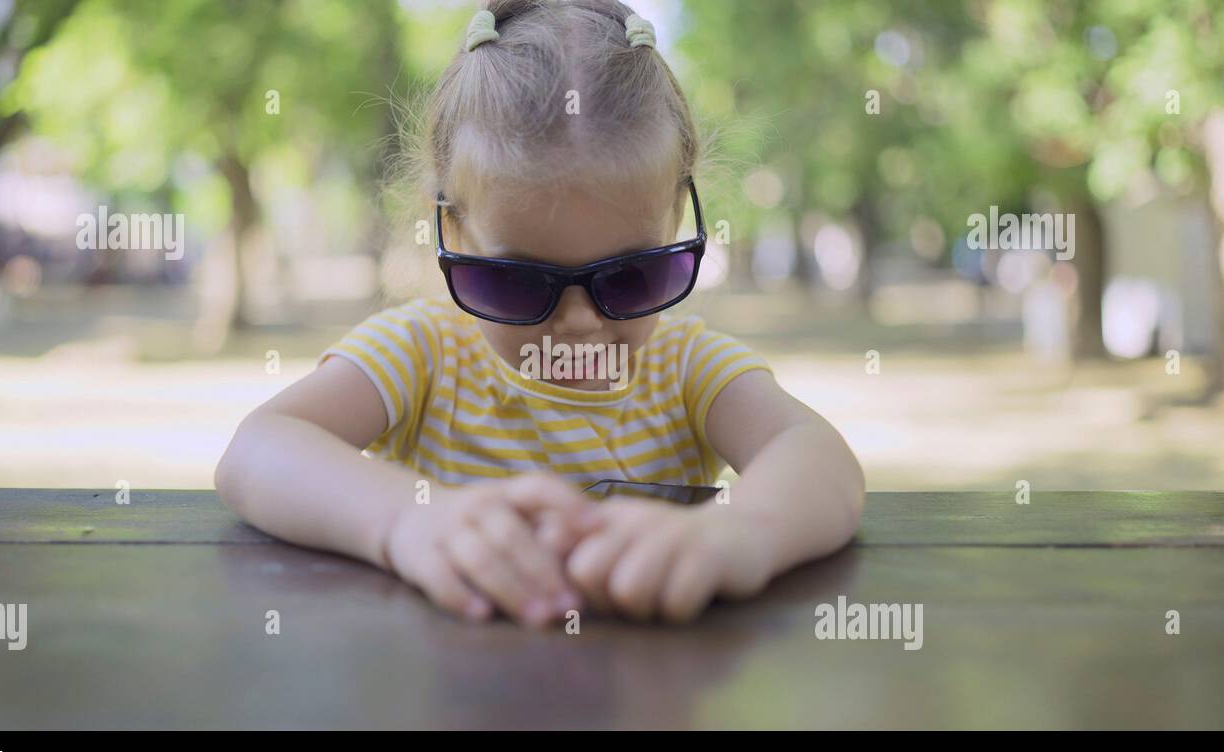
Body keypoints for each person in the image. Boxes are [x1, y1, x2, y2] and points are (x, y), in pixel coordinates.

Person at [215, 0, 864, 628]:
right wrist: (403, 521)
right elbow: (257, 451)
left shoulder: (688, 368)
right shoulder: (421, 353)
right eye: (518, 284)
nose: (580, 323)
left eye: (630, 276)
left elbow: (820, 458)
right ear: (453, 231)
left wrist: (737, 533)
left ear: (677, 220)